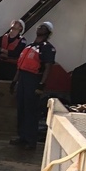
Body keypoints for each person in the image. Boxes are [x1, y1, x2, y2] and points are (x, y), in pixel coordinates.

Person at [10, 21, 56, 150]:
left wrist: (41, 85)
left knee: (31, 110)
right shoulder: (29, 46)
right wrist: (14, 81)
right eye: (39, 26)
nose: (40, 28)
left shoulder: (47, 47)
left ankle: (31, 140)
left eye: (44, 27)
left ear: (48, 32)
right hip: (23, 79)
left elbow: (48, 67)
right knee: (21, 109)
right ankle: (22, 137)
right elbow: (20, 66)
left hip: (34, 79)